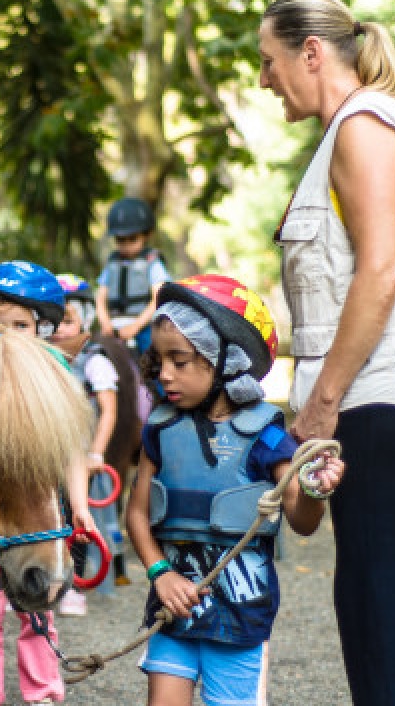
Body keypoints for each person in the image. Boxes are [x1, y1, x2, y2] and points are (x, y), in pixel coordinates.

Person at [260, 0, 395, 706]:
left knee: (379, 602)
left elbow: (383, 270)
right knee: (373, 597)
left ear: (310, 53)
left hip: (378, 393)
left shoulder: (362, 128)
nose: (264, 80)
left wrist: (322, 402)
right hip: (376, 392)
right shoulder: (359, 129)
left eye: (269, 61)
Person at [126, 274, 344, 706]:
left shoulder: (265, 437)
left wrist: (316, 491)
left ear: (226, 360)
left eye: (180, 361)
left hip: (239, 616)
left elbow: (301, 521)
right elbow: (136, 513)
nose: (164, 375)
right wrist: (159, 573)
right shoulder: (160, 428)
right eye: (160, 361)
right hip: (172, 610)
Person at [0, 261, 96, 706]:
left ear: (42, 329)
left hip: (40, 509)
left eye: (20, 325)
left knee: (39, 598)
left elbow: (74, 448)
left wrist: (79, 505)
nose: (9, 336)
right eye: (0, 325)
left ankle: (41, 689)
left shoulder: (55, 376)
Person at [52, 274, 125, 616]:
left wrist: (96, 452)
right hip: (47, 454)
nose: (60, 329)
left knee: (75, 518)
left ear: (84, 320)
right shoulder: (41, 356)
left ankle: (74, 583)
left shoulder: (94, 360)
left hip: (79, 455)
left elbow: (108, 410)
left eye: (68, 321)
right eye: (54, 320)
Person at [95, 197, 172, 356]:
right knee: (98, 353)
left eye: (132, 239)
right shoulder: (112, 262)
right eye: (120, 240)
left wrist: (135, 326)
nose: (126, 245)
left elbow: (159, 297)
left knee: (154, 358)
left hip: (144, 326)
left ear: (146, 234)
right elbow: (100, 297)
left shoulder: (152, 262)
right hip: (115, 327)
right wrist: (105, 323)